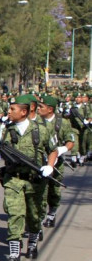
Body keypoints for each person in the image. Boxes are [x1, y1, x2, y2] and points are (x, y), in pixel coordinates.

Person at [0, 95, 60, 261]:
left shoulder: (41, 130)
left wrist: (49, 167)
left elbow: (52, 150)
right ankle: (14, 254)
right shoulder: (6, 129)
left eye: (12, 109)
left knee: (34, 215)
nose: (9, 111)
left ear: (24, 111)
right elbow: (2, 148)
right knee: (15, 214)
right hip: (13, 179)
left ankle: (32, 241)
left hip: (34, 181)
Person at [37, 95, 77, 229]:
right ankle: (39, 218)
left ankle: (52, 213)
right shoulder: (36, 121)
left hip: (56, 163)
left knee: (54, 190)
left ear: (50, 109)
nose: (38, 109)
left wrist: (63, 148)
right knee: (40, 191)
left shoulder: (62, 123)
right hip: (39, 162)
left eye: (41, 107)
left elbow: (70, 140)